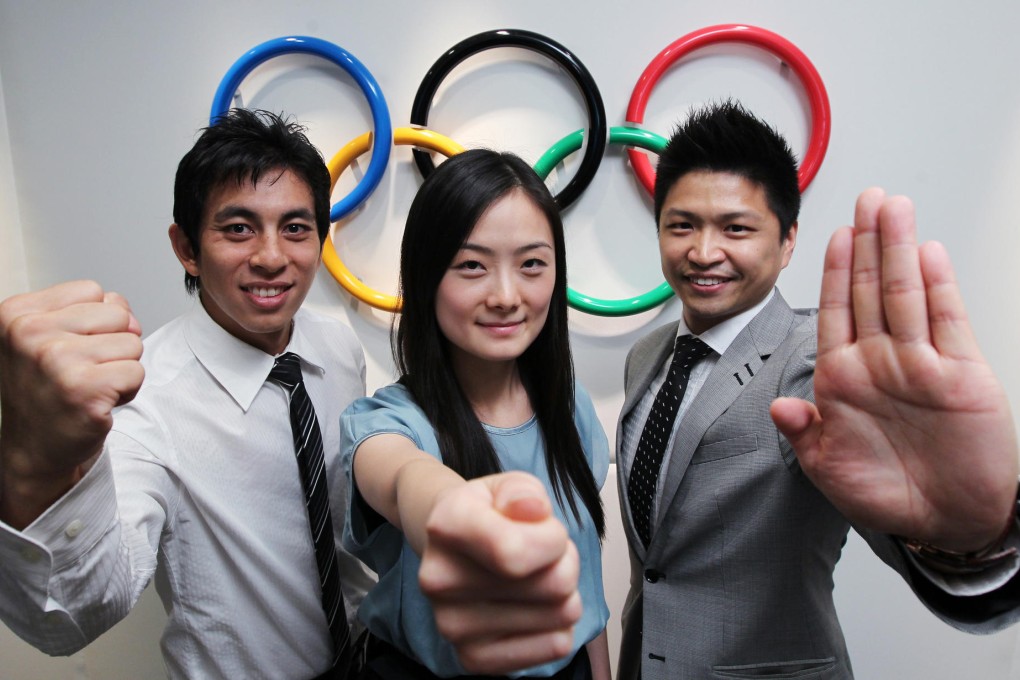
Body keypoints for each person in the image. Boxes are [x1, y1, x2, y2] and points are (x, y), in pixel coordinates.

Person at [615, 100, 1020, 679]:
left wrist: (971, 540)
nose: (704, 252)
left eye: (736, 228)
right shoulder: (647, 357)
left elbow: (896, 509)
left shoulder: (821, 363)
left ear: (787, 242)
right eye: (682, 225)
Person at [0, 109, 375, 679]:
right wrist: (36, 467)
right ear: (187, 248)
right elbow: (74, 613)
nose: (272, 256)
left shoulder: (337, 343)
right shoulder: (142, 397)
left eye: (295, 228)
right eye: (238, 228)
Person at [338, 149, 611, 679]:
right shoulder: (390, 423)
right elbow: (402, 478)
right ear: (425, 277)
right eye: (471, 266)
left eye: (532, 263)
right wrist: (454, 511)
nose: (507, 296)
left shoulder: (568, 408)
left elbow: (586, 598)